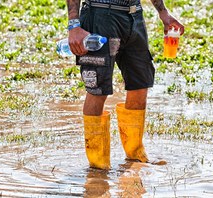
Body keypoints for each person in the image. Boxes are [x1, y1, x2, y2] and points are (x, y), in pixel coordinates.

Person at [66, 0, 184, 169]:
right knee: (98, 88)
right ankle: (98, 165)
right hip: (100, 15)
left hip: (133, 16)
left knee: (140, 84)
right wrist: (73, 25)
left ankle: (135, 155)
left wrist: (163, 13)